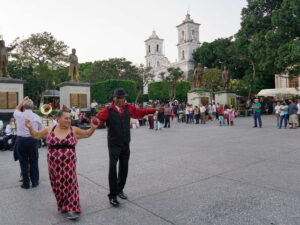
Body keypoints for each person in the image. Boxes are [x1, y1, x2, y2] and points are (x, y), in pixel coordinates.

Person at [25, 110, 99, 220]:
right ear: (58, 119)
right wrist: (30, 127)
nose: (69, 120)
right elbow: (36, 135)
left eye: (70, 118)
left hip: (69, 164)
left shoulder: (73, 130)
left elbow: (87, 133)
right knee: (57, 185)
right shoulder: (50, 129)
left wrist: (92, 128)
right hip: (54, 165)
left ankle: (73, 208)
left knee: (71, 183)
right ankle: (64, 204)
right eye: (66, 118)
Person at [96, 88, 162, 207]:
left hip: (126, 143)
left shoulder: (128, 107)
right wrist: (88, 129)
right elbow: (97, 120)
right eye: (119, 98)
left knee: (124, 167)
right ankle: (112, 195)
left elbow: (140, 112)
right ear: (114, 98)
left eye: (123, 98)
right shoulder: (107, 110)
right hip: (114, 144)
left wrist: (153, 110)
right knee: (112, 168)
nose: (122, 100)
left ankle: (120, 189)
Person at [13, 97, 44, 189]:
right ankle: (35, 182)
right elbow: (41, 130)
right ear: (33, 107)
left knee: (23, 161)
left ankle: (26, 183)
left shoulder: (19, 115)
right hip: (32, 140)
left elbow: (17, 108)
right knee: (34, 160)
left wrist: (23, 100)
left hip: (21, 140)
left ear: (24, 106)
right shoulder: (37, 117)